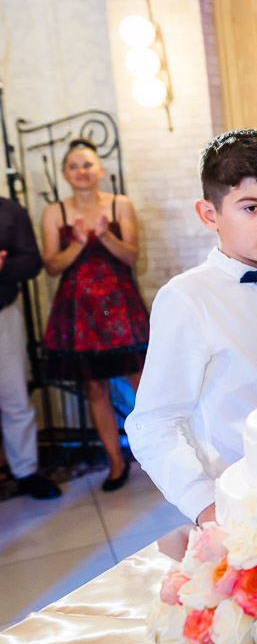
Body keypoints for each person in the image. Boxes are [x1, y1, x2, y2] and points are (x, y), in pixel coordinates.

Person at [126, 129, 257, 525]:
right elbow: (153, 423)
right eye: (251, 208)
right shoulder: (186, 298)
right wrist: (205, 507)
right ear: (209, 215)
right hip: (240, 497)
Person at [41, 138, 149, 491]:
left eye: (87, 164)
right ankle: (115, 461)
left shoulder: (120, 205)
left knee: (142, 379)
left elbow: (132, 257)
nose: (81, 171)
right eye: (73, 166)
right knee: (94, 386)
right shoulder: (54, 213)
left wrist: (105, 237)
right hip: (78, 310)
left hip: (119, 304)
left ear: (100, 169)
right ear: (65, 174)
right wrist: (77, 242)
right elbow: (52, 266)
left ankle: (160, 450)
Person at [0, 195, 60, 499]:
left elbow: (32, 261)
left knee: (14, 396)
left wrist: (3, 265)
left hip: (3, 313)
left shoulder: (9, 210)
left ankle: (25, 471)